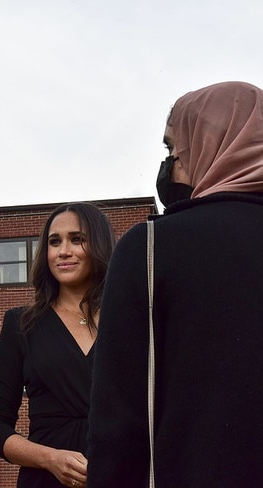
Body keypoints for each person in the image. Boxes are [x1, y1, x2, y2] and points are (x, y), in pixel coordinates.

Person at [87, 81, 263, 487]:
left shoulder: (149, 248)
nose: (170, 166)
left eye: (173, 149)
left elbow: (118, 424)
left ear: (208, 145)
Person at [0, 202, 115, 488]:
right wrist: (50, 459)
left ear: (100, 246)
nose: (63, 251)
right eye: (55, 242)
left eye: (77, 239)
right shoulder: (21, 324)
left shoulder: (129, 319)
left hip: (119, 476)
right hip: (44, 480)